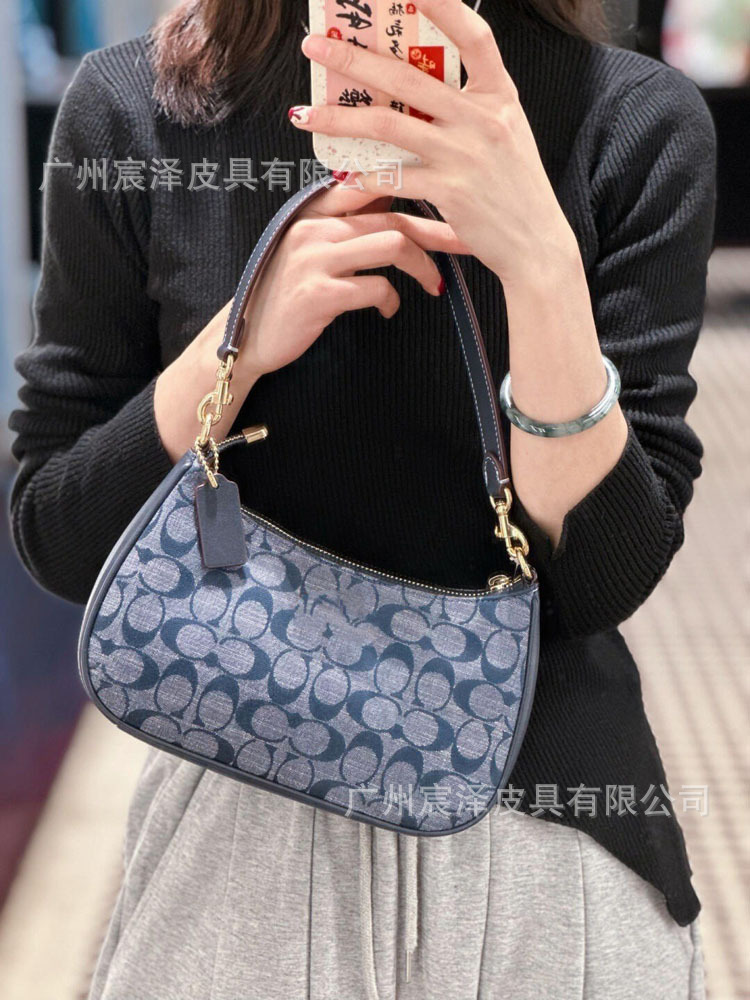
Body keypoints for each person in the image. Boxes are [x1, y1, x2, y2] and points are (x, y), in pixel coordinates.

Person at [7, 0, 716, 996]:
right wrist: (237, 345)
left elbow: (604, 576)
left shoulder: (630, 121)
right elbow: (59, 530)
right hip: (238, 827)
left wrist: (540, 265)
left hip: (543, 832)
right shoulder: (138, 111)